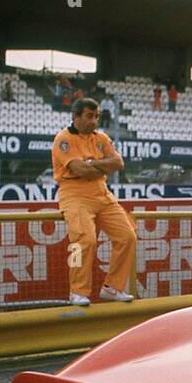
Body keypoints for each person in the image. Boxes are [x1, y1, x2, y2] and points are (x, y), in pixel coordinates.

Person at [52, 98, 138, 305]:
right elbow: (81, 170)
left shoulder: (101, 138)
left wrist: (92, 164)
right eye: (89, 116)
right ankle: (77, 291)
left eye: (96, 116)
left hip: (102, 192)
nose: (94, 121)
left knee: (128, 236)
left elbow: (118, 162)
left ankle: (113, 287)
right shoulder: (63, 139)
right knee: (84, 241)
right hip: (74, 194)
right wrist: (99, 166)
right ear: (76, 116)